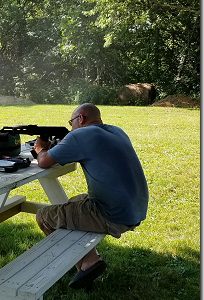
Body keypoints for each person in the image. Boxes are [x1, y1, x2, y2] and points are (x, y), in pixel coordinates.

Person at [33, 103, 148, 289]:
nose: (71, 128)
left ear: (81, 119)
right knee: (74, 202)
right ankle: (87, 262)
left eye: (71, 122)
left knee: (44, 217)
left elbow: (45, 162)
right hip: (136, 207)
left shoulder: (80, 135)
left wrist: (40, 149)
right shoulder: (117, 131)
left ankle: (87, 264)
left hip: (113, 215)